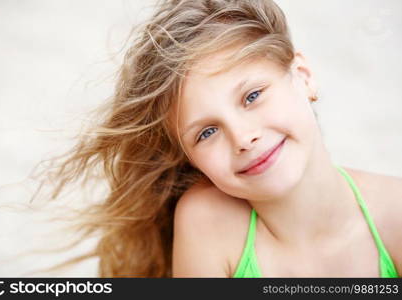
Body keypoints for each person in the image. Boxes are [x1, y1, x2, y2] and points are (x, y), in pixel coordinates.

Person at [32, 0, 401, 277]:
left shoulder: (394, 212)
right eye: (206, 132)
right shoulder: (208, 221)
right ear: (189, 158)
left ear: (303, 76)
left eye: (252, 96)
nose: (242, 137)